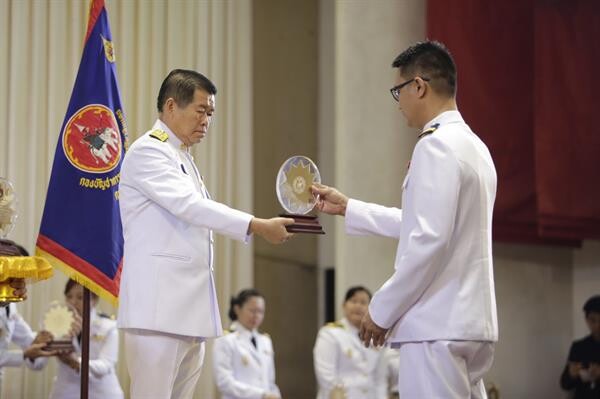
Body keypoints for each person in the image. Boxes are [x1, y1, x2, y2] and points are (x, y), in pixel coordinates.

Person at [312, 41, 498, 399]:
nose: (397, 103)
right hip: (470, 320)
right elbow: (426, 224)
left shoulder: (435, 144)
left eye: (398, 90)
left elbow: (428, 240)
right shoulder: (475, 147)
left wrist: (381, 310)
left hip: (436, 323)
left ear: (419, 86)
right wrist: (350, 207)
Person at [117, 69, 294, 398]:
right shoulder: (149, 152)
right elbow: (189, 207)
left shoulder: (182, 157)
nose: (206, 121)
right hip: (157, 311)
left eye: (210, 113)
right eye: (201, 111)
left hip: (186, 311)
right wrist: (256, 224)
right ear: (171, 107)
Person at [49, 279, 124, 399]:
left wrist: (75, 362)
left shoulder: (108, 326)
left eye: (80, 297)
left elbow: (105, 365)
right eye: (69, 296)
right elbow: (37, 364)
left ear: (94, 300)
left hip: (100, 392)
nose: (73, 302)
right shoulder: (55, 325)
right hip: (65, 391)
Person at [313, 286, 388, 399]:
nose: (358, 306)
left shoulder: (375, 338)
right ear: (344, 305)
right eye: (353, 301)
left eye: (363, 302)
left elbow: (380, 379)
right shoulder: (330, 333)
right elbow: (327, 376)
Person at [213, 289, 281, 399]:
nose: (256, 316)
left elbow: (270, 382)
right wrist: (260, 395)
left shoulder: (265, 340)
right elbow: (224, 382)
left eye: (260, 312)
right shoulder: (226, 339)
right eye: (252, 311)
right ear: (237, 309)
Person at [560, 295, 600, 398]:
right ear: (587, 321)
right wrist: (571, 375)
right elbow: (564, 384)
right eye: (593, 320)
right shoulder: (578, 347)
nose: (598, 325)